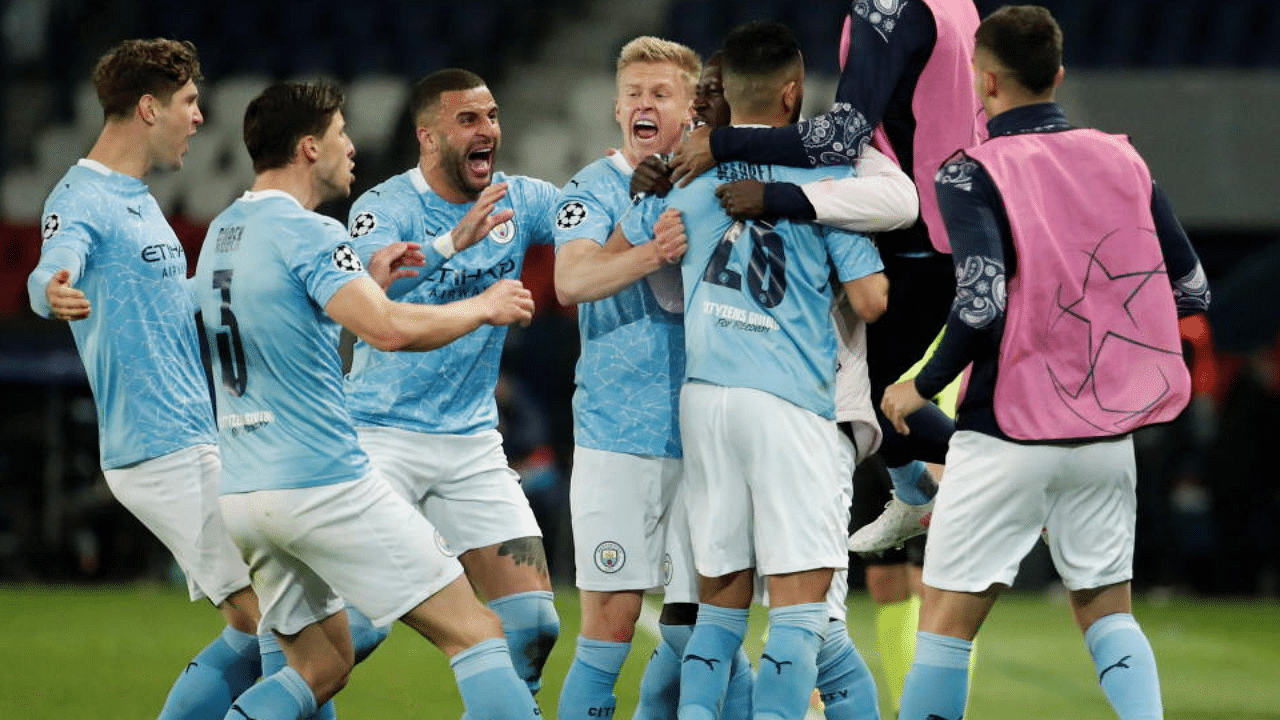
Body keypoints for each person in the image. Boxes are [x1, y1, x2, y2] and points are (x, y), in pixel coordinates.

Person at [880, 7, 1210, 720]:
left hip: (1008, 430)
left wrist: (920, 387)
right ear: (1056, 76)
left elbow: (980, 300)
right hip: (1103, 437)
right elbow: (1193, 289)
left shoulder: (970, 171)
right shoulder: (1122, 157)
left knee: (945, 622)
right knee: (1106, 612)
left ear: (984, 81)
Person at [192, 80, 541, 720]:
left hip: (245, 489)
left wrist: (402, 267)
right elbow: (386, 330)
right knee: (479, 634)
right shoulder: (310, 233)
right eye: (339, 134)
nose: (351, 146)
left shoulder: (224, 230)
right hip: (323, 482)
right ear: (308, 148)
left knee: (320, 666)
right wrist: (485, 306)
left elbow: (292, 325)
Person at [622, 21, 889, 720]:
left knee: (719, 606)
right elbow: (871, 299)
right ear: (794, 95)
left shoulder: (687, 175)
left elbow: (660, 277)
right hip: (790, 404)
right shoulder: (826, 176)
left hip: (705, 401)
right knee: (803, 615)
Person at [668, 0, 987, 554]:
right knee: (866, 386)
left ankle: (1004, 476)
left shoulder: (884, 8)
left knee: (860, 393)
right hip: (954, 221)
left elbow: (841, 137)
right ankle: (920, 492)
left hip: (917, 230)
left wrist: (722, 143)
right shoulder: (957, 4)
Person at [25, 38, 264, 719]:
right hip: (156, 450)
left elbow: (165, 304)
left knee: (284, 622)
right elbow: (54, 265)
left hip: (198, 435)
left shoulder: (136, 197)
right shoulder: (80, 198)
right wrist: (51, 288)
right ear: (149, 106)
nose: (199, 117)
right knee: (276, 625)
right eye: (189, 102)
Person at [552, 35, 755, 720]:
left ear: (690, 108)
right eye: (635, 94)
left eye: (660, 93)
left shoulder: (716, 183)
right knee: (609, 623)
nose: (645, 104)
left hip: (705, 432)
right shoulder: (592, 186)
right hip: (619, 433)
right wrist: (648, 253)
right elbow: (571, 280)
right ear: (616, 109)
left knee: (701, 627)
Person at [342, 68, 560, 702]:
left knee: (535, 626)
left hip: (470, 446)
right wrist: (448, 244)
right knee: (353, 633)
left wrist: (637, 178)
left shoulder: (520, 200)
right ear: (428, 136)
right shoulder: (384, 207)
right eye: (469, 120)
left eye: (491, 116)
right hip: (380, 438)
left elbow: (592, 213)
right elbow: (369, 302)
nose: (487, 129)